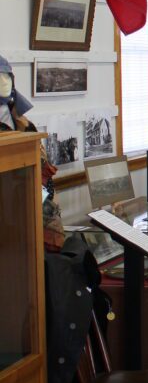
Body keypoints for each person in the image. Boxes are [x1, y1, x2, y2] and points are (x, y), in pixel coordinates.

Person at [0, 53, 64, 249]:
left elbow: (41, 170)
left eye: (7, 76)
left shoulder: (26, 126)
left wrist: (44, 200)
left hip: (27, 207)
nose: (4, 82)